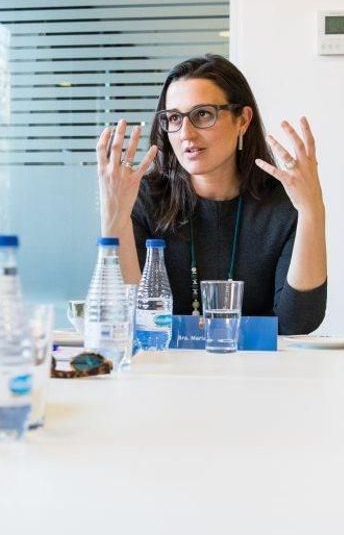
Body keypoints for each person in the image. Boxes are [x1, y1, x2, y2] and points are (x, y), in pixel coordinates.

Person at [97, 54, 327, 334]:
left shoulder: (282, 202)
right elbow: (123, 319)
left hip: (260, 374)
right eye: (174, 118)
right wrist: (114, 218)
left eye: (202, 114)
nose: (186, 133)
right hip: (163, 371)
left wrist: (312, 211)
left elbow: (298, 323)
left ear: (242, 120)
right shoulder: (144, 198)